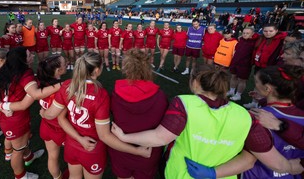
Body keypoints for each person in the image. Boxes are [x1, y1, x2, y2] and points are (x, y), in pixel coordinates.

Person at [112, 65, 303, 179]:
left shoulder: (184, 103)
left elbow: (159, 138)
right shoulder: (246, 116)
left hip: (179, 174)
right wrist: (213, 173)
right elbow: (266, 162)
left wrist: (124, 136)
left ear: (195, 83)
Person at [41, 52, 151, 179]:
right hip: (92, 149)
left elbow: (59, 118)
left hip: (72, 144)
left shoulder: (67, 85)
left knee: (74, 176)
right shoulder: (101, 95)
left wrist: (44, 113)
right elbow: (104, 136)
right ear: (97, 70)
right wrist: (137, 151)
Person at [0, 47, 58, 179]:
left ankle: (29, 156)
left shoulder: (3, 70)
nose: (32, 56)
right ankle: (20, 176)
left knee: (22, 142)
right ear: (22, 60)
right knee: (17, 151)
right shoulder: (25, 73)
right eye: (29, 55)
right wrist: (61, 85)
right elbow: (35, 94)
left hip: (9, 115)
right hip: (14, 117)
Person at [110, 49, 168, 178]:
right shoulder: (160, 97)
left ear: (126, 67)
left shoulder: (115, 94)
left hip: (122, 149)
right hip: (148, 152)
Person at [244, 24, 287, 109]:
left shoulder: (280, 40)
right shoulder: (261, 38)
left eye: (271, 31)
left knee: (267, 87)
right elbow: (252, 35)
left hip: (270, 67)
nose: (268, 33)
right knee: (257, 84)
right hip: (258, 66)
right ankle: (254, 102)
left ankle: (263, 105)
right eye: (265, 31)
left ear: (276, 31)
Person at [228, 27, 259, 101]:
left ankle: (238, 95)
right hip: (235, 62)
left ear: (252, 34)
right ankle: (232, 91)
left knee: (242, 80)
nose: (245, 34)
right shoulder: (241, 39)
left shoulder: (255, 42)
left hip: (245, 64)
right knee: (233, 76)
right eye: (244, 33)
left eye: (247, 33)